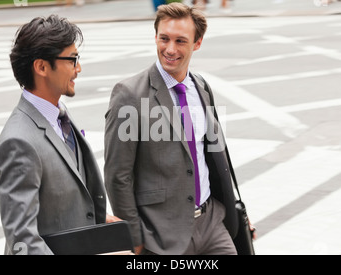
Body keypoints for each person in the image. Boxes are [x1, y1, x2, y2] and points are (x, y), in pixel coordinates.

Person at [105, 2, 252, 255]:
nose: (170, 49)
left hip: (212, 223)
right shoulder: (129, 94)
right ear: (155, 37)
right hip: (162, 236)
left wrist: (234, 214)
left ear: (197, 43)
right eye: (164, 39)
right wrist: (134, 237)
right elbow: (118, 175)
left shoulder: (202, 87)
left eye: (180, 41)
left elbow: (215, 158)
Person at [0, 15, 118, 255]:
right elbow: (23, 240)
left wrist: (100, 221)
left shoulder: (58, 114)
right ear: (41, 67)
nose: (78, 68)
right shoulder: (18, 142)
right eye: (72, 60)